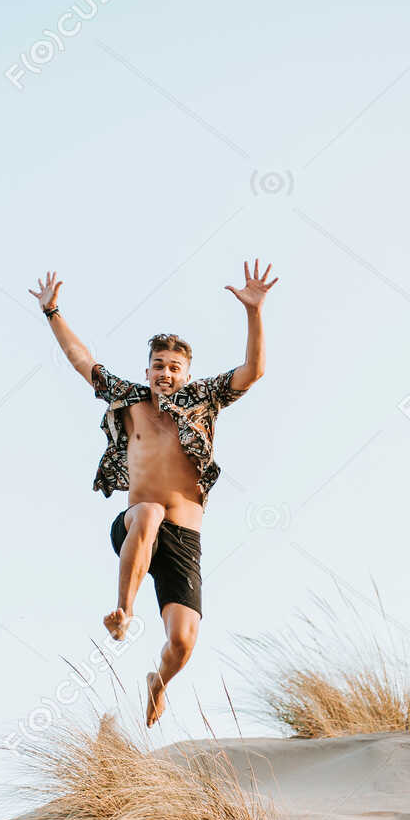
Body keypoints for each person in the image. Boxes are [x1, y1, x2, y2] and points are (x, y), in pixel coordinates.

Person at [30, 261, 276, 725]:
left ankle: (158, 682)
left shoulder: (204, 400)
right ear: (147, 370)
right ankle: (123, 612)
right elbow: (82, 359)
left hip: (184, 537)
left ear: (186, 373)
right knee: (148, 511)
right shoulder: (128, 400)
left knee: (183, 642)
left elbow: (253, 371)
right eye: (159, 365)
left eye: (175, 367)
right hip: (136, 528)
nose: (166, 372)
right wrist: (52, 312)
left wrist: (254, 312)